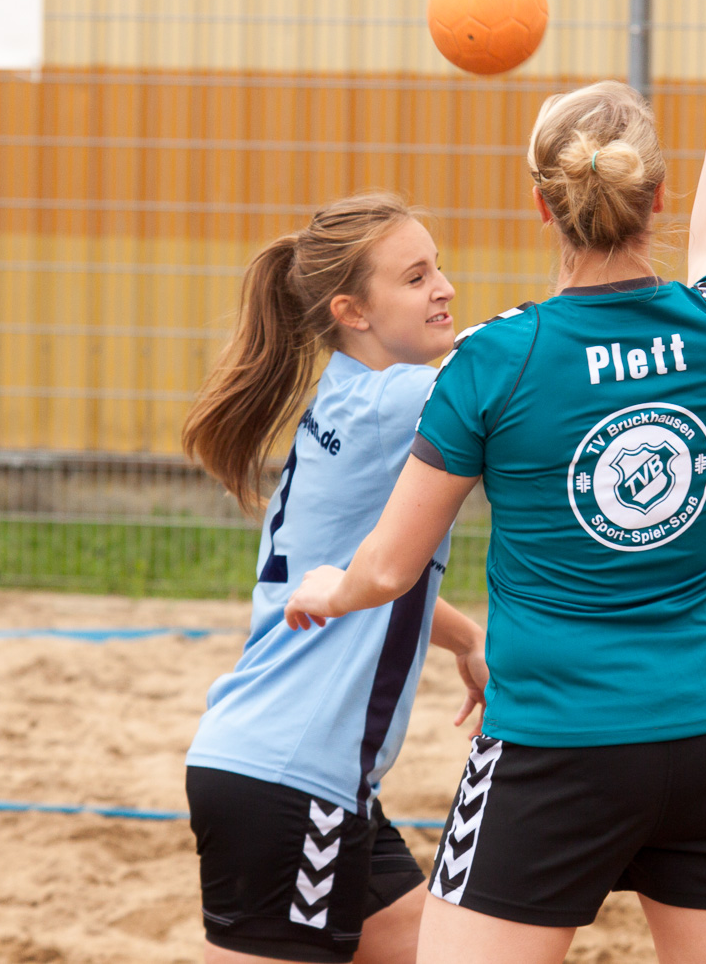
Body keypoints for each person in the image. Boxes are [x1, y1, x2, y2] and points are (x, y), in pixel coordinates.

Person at [284, 0, 706, 964]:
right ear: (653, 195)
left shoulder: (494, 359)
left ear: (542, 207)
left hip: (553, 748)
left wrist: (330, 584)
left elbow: (390, 566)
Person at [179, 193, 490, 964]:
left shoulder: (353, 399)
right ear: (351, 309)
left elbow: (369, 574)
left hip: (310, 779)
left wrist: (464, 636)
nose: (444, 287)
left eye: (438, 266)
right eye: (416, 277)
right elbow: (505, 353)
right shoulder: (399, 402)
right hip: (292, 778)